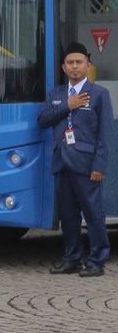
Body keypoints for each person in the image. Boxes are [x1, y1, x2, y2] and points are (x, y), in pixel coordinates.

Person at [38, 42, 112, 277]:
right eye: (70, 63)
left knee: (93, 214)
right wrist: (67, 106)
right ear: (63, 67)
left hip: (87, 165)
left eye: (79, 62)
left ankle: (97, 260)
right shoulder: (57, 94)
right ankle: (72, 258)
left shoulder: (99, 95)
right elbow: (43, 120)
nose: (75, 67)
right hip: (62, 163)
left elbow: (105, 135)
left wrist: (99, 166)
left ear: (88, 65)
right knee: (68, 216)